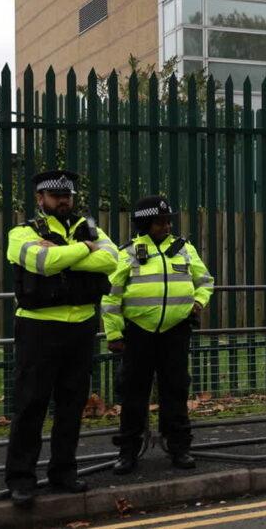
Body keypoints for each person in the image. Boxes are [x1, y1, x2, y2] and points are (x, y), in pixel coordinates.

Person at [4, 170, 118, 508]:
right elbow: (42, 262)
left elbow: (112, 259)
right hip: (39, 330)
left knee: (72, 405)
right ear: (40, 199)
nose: (63, 200)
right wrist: (85, 250)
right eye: (55, 196)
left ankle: (63, 472)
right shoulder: (22, 232)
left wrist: (66, 253)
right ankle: (21, 479)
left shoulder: (92, 227)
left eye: (67, 195)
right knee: (31, 405)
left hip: (81, 328)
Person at [102, 195, 214, 474]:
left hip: (175, 332)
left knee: (176, 390)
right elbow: (111, 297)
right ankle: (128, 452)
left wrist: (198, 302)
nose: (166, 225)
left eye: (168, 220)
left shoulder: (184, 249)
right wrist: (114, 334)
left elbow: (205, 281)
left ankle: (179, 448)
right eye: (160, 221)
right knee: (133, 393)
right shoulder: (127, 252)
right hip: (138, 334)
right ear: (144, 223)